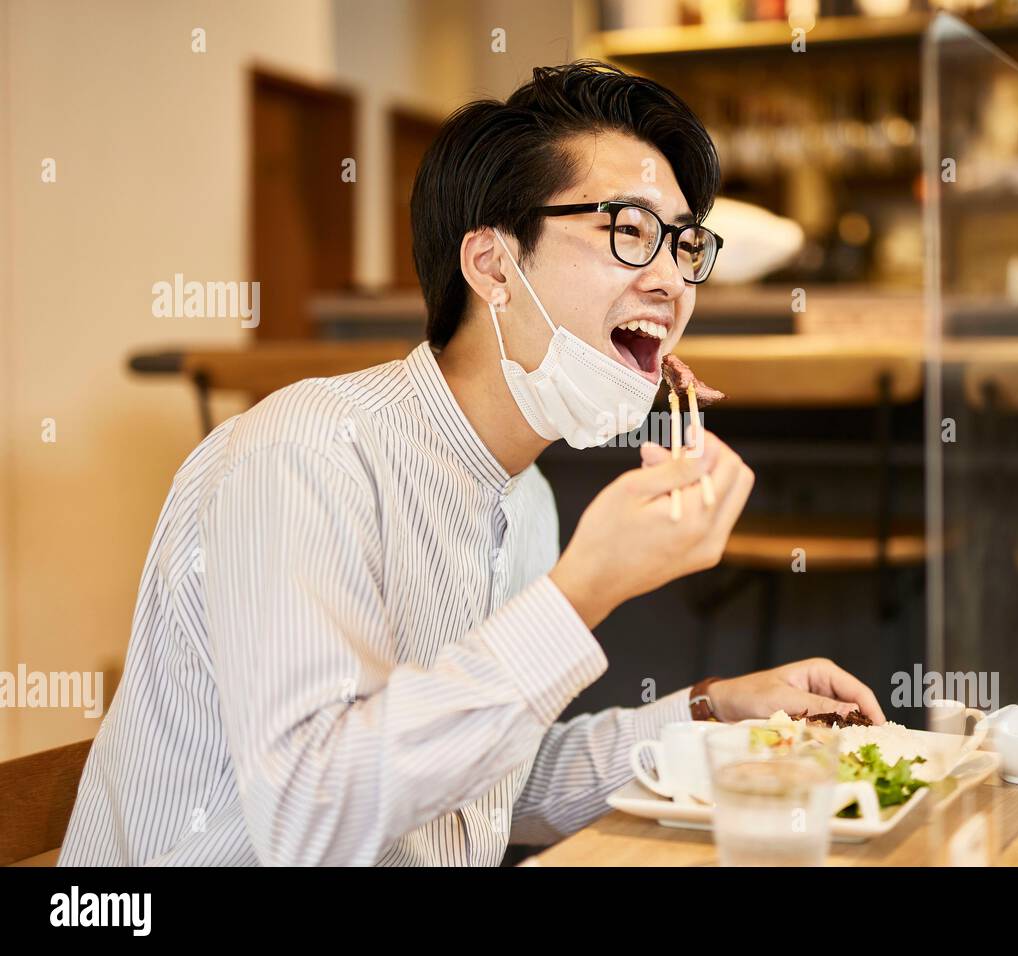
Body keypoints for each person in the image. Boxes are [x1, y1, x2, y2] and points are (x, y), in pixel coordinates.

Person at [60, 61, 884, 866]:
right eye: (630, 233)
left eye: (684, 244)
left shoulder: (524, 498)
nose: (672, 280)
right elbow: (313, 820)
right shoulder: (305, 454)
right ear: (493, 266)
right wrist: (583, 592)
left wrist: (712, 715)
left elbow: (485, 788)